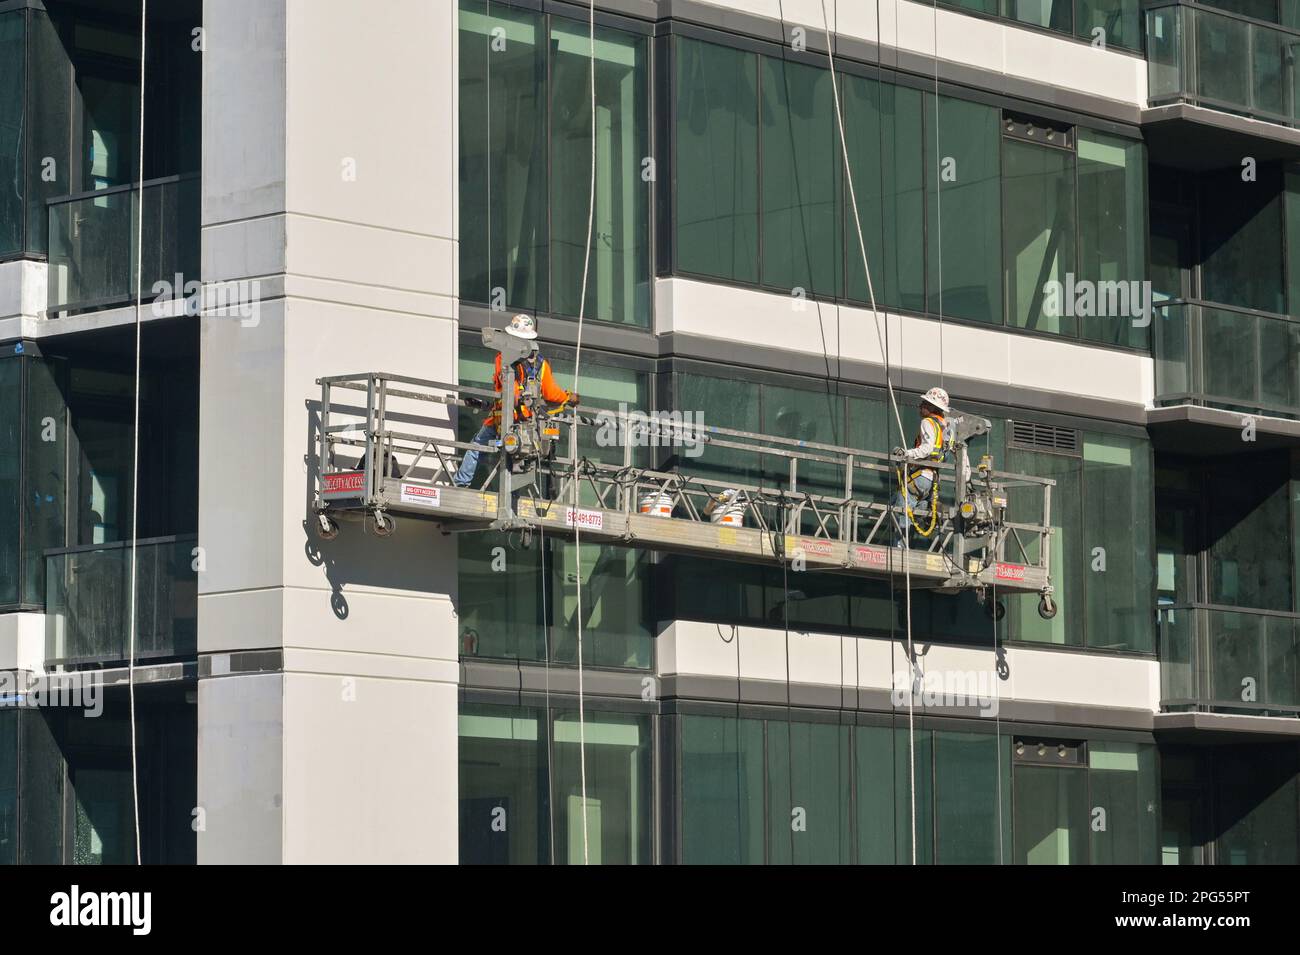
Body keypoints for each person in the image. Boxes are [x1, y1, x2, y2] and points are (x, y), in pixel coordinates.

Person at [453, 314, 577, 487]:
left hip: (501, 419)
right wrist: (568, 397)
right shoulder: (540, 364)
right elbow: (551, 393)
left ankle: (461, 484)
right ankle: (512, 495)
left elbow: (508, 388)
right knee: (517, 458)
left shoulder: (502, 358)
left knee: (477, 447)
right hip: (526, 423)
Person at [891, 386, 951, 547]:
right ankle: (921, 519)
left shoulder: (927, 422)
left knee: (901, 510)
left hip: (920, 477)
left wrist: (906, 454)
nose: (920, 406)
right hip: (931, 481)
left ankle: (899, 549)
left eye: (924, 403)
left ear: (932, 407)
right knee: (899, 506)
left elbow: (927, 449)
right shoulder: (944, 427)